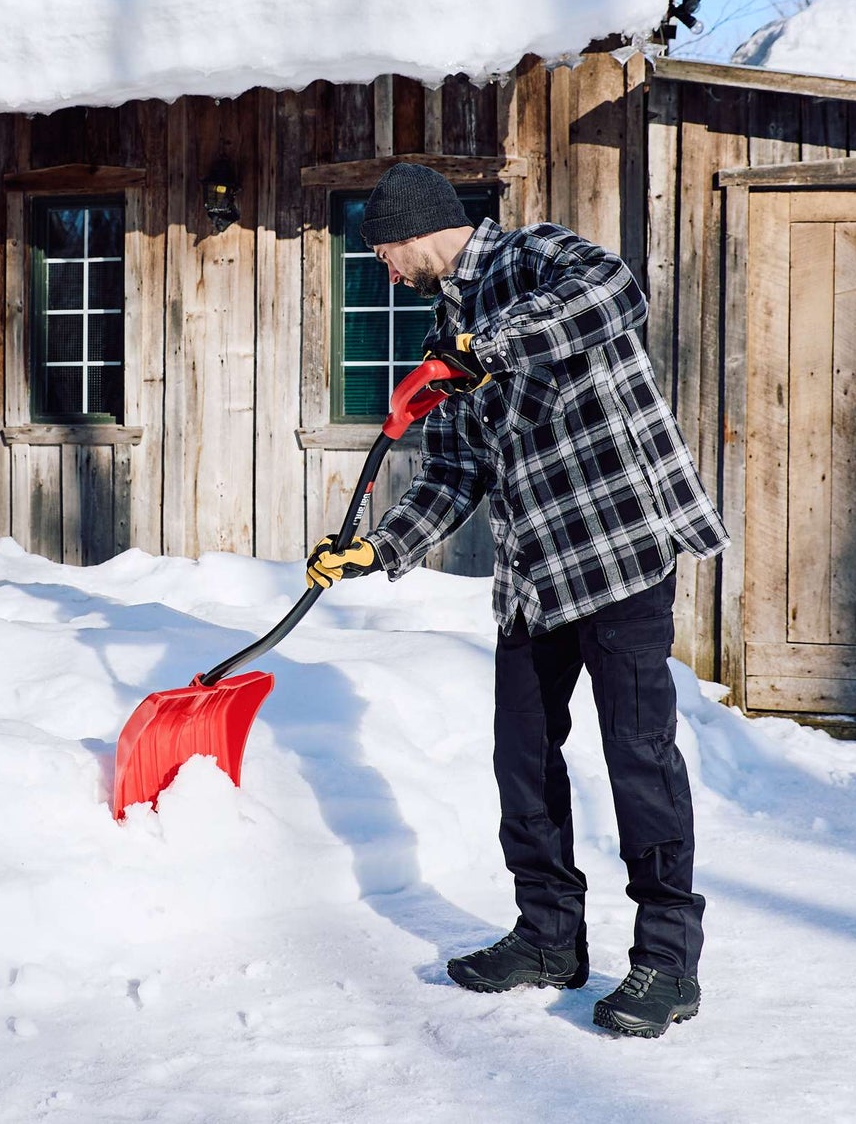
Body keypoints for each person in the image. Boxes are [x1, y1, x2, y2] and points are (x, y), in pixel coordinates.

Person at [305, 162, 728, 1039]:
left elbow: (614, 291)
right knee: (522, 759)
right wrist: (376, 545)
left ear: (416, 230)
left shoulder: (532, 257)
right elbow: (458, 467)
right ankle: (547, 936)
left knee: (638, 757)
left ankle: (665, 960)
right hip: (535, 572)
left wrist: (486, 347)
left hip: (617, 548)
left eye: (382, 252)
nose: (383, 269)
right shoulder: (444, 328)